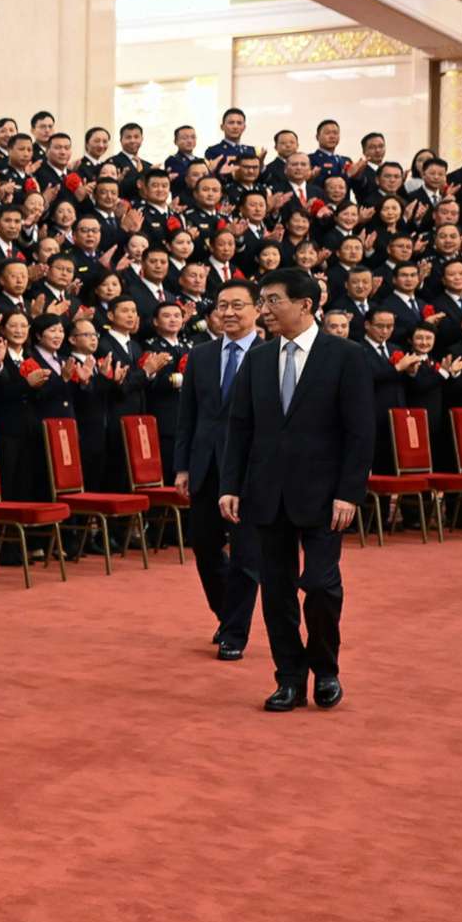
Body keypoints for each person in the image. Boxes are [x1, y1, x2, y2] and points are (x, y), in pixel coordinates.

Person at [221, 268, 372, 711]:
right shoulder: (259, 359)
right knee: (276, 590)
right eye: (262, 301)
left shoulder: (346, 356)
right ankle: (289, 677)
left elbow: (360, 432)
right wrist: (230, 484)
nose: (263, 310)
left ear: (305, 304)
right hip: (266, 492)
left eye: (272, 301)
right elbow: (240, 426)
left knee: (322, 585)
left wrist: (349, 491)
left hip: (326, 496)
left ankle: (326, 669)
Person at [174, 279, 263, 659]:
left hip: (249, 470)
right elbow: (188, 416)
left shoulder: (271, 354)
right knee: (205, 546)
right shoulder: (202, 355)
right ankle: (227, 614)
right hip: (205, 466)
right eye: (222, 305)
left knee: (246, 553)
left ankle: (234, 634)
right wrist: (182, 467)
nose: (229, 312)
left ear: (257, 310)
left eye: (238, 305)